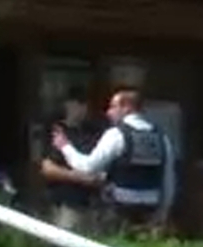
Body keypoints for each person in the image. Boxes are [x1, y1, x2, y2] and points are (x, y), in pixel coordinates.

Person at [54, 87, 176, 233]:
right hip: (150, 210)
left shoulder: (117, 135)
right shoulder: (162, 138)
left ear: (127, 108)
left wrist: (65, 146)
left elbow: (87, 167)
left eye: (113, 107)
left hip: (119, 211)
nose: (108, 112)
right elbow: (168, 181)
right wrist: (162, 213)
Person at [40, 89, 103, 232]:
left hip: (92, 206)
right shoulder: (56, 131)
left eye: (84, 104)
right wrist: (80, 178)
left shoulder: (93, 132)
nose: (81, 108)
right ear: (67, 104)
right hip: (67, 204)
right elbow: (47, 169)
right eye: (77, 104)